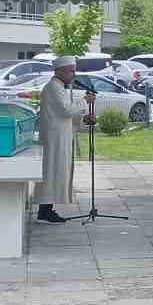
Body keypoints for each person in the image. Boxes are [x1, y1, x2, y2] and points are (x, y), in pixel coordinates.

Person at [36, 56, 95, 223]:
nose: (73, 74)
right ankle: (45, 211)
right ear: (59, 71)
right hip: (54, 139)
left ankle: (47, 209)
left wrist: (84, 119)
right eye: (71, 71)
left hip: (61, 136)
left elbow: (67, 115)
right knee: (51, 174)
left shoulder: (60, 87)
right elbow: (66, 110)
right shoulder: (54, 87)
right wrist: (85, 101)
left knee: (56, 173)